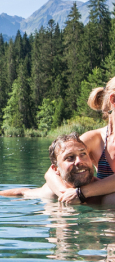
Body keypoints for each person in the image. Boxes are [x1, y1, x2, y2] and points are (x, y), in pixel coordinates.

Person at [44, 77, 115, 205]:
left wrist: (82, 193)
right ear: (113, 100)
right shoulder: (95, 139)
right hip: (99, 213)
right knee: (48, 192)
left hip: (106, 207)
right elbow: (51, 172)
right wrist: (66, 195)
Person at [0, 133, 99, 203]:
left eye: (83, 154)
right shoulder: (50, 192)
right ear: (55, 169)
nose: (79, 161)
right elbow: (22, 192)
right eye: (69, 157)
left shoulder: (102, 194)